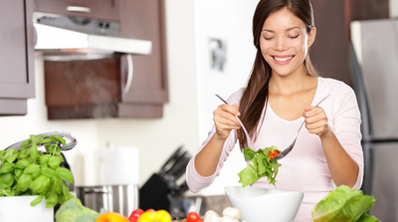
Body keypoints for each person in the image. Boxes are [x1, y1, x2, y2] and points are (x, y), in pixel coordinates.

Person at [185, 0, 364, 221]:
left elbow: (351, 184)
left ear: (311, 35)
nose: (280, 46)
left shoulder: (337, 95)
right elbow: (195, 183)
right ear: (257, 39)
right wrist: (219, 137)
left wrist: (326, 134)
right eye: (269, 37)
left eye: (292, 36)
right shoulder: (242, 102)